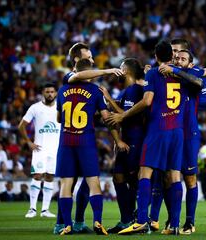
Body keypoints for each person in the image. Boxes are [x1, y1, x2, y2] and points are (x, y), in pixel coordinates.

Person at [107, 40, 202, 235]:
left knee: (145, 172)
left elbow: (147, 100)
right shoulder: (181, 74)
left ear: (156, 55)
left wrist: (123, 115)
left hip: (158, 128)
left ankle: (142, 220)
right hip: (177, 132)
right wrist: (177, 71)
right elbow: (200, 81)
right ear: (173, 56)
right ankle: (175, 224)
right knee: (175, 175)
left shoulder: (154, 73)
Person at [54, 42, 121, 234]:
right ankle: (97, 221)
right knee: (93, 183)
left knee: (66, 184)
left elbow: (60, 118)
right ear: (78, 61)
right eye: (89, 58)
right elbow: (106, 117)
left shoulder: (62, 90)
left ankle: (67, 224)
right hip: (86, 141)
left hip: (66, 141)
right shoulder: (89, 88)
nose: (92, 61)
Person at [149, 39, 206, 235]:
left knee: (190, 177)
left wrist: (188, 98)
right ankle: (171, 220)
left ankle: (190, 222)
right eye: (174, 54)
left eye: (181, 55)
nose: (177, 58)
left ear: (188, 60)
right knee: (168, 176)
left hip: (188, 132)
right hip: (169, 130)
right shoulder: (162, 75)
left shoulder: (192, 75)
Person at [100, 58, 147, 233]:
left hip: (136, 140)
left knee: (134, 181)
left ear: (126, 71)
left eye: (120, 68)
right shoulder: (126, 91)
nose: (118, 71)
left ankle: (140, 219)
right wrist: (117, 139)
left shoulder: (137, 91)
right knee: (118, 177)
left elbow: (128, 116)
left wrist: (108, 98)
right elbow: (117, 115)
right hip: (124, 140)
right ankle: (126, 219)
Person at [18, 82, 60, 218]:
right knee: (37, 175)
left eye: (52, 92)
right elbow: (21, 126)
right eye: (47, 92)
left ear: (56, 93)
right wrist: (28, 142)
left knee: (50, 177)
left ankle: (45, 210)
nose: (50, 94)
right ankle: (32, 209)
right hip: (40, 149)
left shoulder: (61, 107)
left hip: (56, 149)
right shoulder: (35, 108)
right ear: (43, 93)